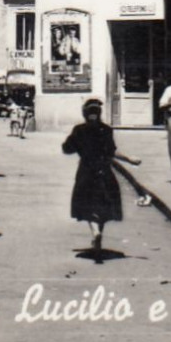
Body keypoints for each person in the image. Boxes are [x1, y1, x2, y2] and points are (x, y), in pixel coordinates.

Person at [62, 96, 142, 252]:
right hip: (104, 173)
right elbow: (112, 152)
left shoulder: (79, 130)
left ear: (85, 114)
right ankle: (99, 232)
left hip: (86, 173)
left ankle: (95, 232)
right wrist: (130, 159)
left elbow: (67, 149)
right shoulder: (106, 130)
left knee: (87, 207)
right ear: (99, 113)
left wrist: (75, 144)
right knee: (105, 206)